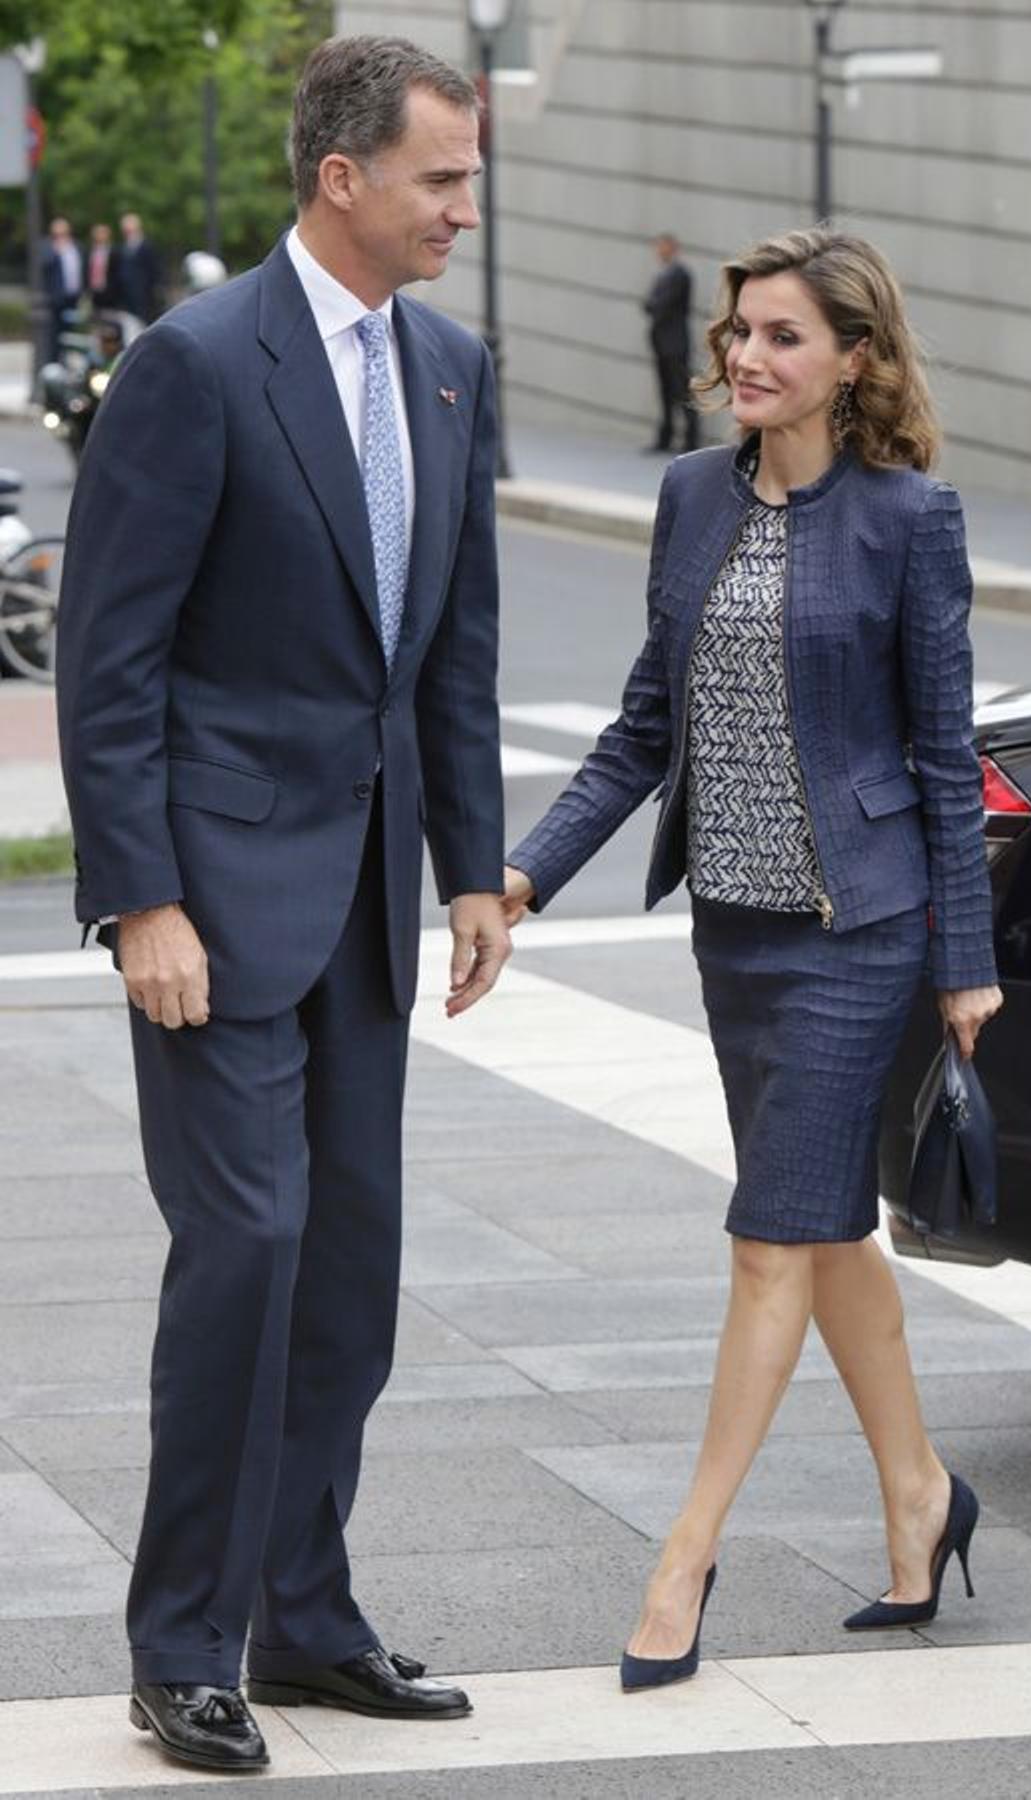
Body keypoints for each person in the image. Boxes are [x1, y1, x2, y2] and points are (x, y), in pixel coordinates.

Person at [57, 32, 510, 1772]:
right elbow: (111, 665)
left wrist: (472, 868)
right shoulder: (194, 364)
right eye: (442, 179)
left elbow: (450, 656)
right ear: (343, 179)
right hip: (220, 904)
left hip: (373, 910)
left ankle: (305, 1623)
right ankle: (183, 1646)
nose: (465, 206)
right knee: (243, 1249)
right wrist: (139, 902)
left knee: (351, 1271)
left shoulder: (455, 367)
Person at [505, 228, 1002, 1691]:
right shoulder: (688, 497)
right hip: (737, 933)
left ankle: (684, 1556)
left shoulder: (911, 520)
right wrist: (526, 875)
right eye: (738, 331)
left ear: (853, 361)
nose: (744, 356)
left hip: (859, 932)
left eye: (782, 337)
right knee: (825, 1228)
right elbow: (643, 729)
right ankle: (922, 1497)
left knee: (770, 1239)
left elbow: (945, 754)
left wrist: (962, 960)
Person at [643, 232, 698, 453]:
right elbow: (649, 305)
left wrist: (653, 304)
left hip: (675, 344)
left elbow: (658, 305)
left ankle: (690, 440)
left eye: (663, 247)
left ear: (673, 248)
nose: (659, 251)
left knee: (682, 392)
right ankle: (665, 438)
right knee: (665, 392)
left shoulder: (680, 274)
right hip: (661, 343)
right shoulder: (663, 274)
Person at [41, 216, 83, 360]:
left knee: (72, 334)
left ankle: (68, 362)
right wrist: (57, 251)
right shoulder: (48, 246)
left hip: (74, 298)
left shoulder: (76, 246)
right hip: (57, 300)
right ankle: (54, 363)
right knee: (55, 336)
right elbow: (45, 266)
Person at [113, 211, 163, 323]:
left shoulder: (148, 247)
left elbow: (155, 272)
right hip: (126, 300)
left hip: (145, 299)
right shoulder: (121, 248)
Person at [85, 222, 118, 312]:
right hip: (94, 292)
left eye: (103, 232)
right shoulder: (89, 251)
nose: (100, 235)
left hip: (111, 293)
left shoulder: (115, 252)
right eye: (97, 233)